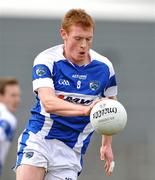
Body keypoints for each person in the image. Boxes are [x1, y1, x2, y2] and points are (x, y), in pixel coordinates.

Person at [15, 9, 117, 180]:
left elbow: (111, 107)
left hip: (72, 150)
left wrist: (106, 144)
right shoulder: (47, 60)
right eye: (78, 38)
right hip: (40, 139)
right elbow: (48, 102)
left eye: (88, 39)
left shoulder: (104, 68)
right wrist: (85, 110)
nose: (84, 45)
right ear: (64, 34)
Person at [0, 77, 21, 176]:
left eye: (18, 96)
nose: (17, 100)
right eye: (13, 95)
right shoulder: (7, 117)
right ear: (1, 96)